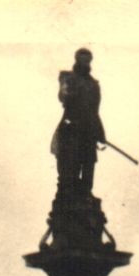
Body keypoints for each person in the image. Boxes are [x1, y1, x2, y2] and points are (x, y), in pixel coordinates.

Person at [52, 48, 104, 199]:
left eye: (87, 60)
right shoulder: (67, 78)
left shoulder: (94, 84)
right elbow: (63, 97)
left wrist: (100, 133)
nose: (84, 63)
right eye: (81, 59)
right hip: (70, 129)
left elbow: (95, 110)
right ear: (76, 60)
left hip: (88, 132)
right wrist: (68, 87)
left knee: (88, 168)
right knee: (68, 171)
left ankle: (86, 199)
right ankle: (69, 202)